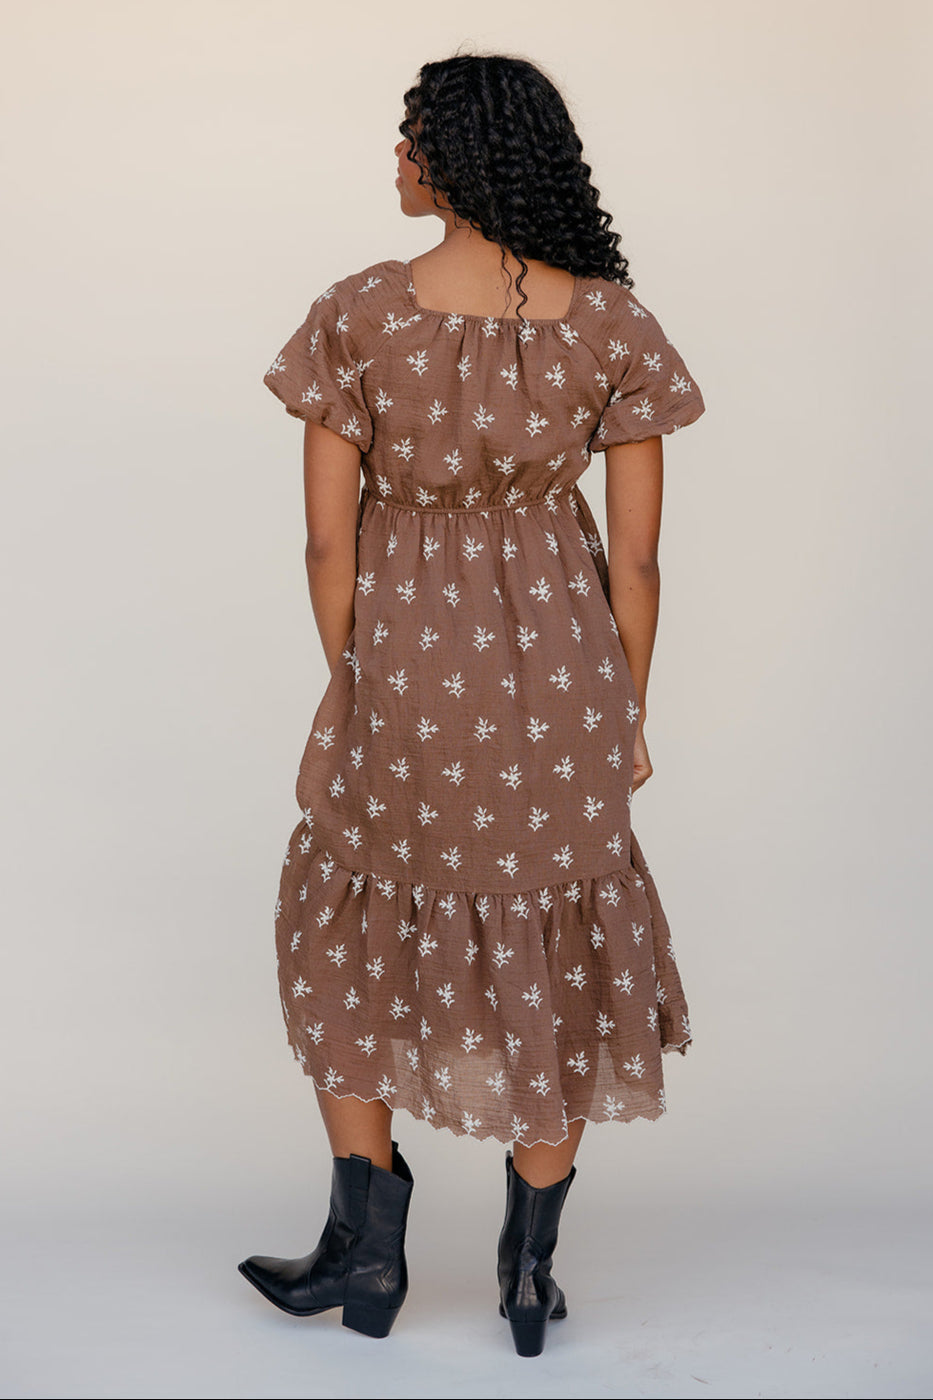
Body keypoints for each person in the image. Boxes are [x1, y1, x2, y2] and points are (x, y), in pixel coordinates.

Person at [239, 52, 706, 1357]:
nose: (392, 161)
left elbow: (327, 549)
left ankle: (363, 1258)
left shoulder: (357, 315)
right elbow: (638, 562)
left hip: (401, 672)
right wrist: (628, 715)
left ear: (450, 156)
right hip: (564, 681)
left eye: (405, 139)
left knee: (348, 921)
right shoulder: (610, 323)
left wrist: (353, 682)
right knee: (553, 939)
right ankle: (524, 1277)